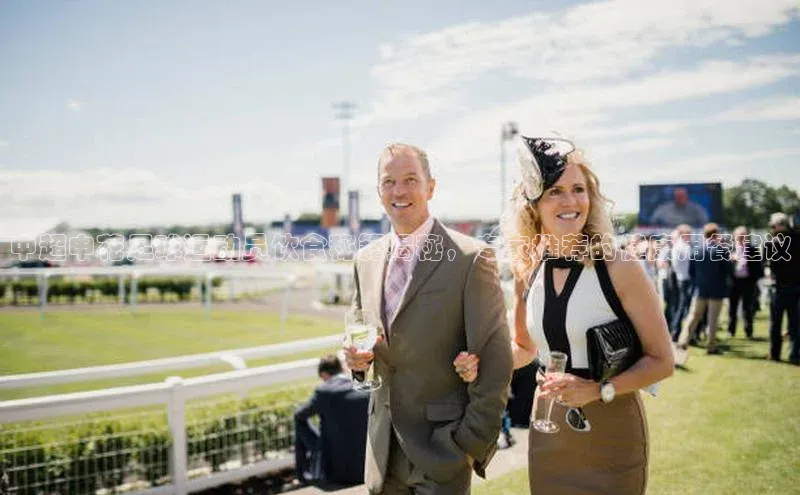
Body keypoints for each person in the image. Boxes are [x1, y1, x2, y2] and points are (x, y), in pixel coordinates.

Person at [458, 136, 673, 494]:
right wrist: (484, 362)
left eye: (579, 189)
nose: (571, 200)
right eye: (556, 191)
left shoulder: (620, 267)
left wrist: (597, 390)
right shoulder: (529, 268)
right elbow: (524, 349)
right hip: (549, 424)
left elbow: (662, 360)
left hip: (612, 427)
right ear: (534, 205)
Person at [344, 143, 513, 494]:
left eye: (410, 180)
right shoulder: (365, 260)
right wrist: (355, 361)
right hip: (382, 450)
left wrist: (469, 444)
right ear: (378, 191)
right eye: (389, 181)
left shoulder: (471, 257)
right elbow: (355, 334)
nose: (399, 191)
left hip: (443, 452)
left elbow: (496, 361)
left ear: (430, 187)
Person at [294, 354, 370, 485]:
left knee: (299, 422)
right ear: (341, 369)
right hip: (366, 466)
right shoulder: (363, 385)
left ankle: (303, 475)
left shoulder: (324, 391)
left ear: (323, 374)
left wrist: (317, 443)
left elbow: (299, 415)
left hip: (336, 471)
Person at [676, 223, 732, 355]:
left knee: (693, 317)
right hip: (716, 290)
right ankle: (711, 346)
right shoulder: (721, 250)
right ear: (716, 235)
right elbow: (728, 270)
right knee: (713, 319)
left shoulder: (696, 250)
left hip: (699, 289)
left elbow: (691, 272)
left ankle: (682, 342)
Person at [762, 212, 800, 364]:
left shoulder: (770, 243)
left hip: (777, 288)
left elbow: (765, 264)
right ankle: (794, 353)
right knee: (795, 323)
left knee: (775, 322)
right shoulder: (798, 239)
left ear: (777, 226)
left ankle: (775, 353)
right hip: (797, 287)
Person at [727, 226, 763, 338]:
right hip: (734, 282)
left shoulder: (753, 249)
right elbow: (723, 267)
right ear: (735, 237)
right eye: (740, 236)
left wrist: (754, 280)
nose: (742, 238)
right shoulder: (729, 249)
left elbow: (759, 267)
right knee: (732, 308)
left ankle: (749, 331)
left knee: (748, 308)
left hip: (748, 282)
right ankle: (731, 331)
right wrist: (730, 261)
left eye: (744, 236)